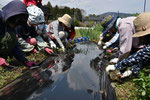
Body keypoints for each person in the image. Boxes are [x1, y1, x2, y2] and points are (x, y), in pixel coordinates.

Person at [106, 12, 150, 78]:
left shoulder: (124, 25)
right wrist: (134, 70)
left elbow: (144, 53)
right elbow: (147, 56)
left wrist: (118, 66)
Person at [0, 1, 37, 68]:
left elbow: (15, 45)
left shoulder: (12, 25)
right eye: (13, 22)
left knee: (13, 37)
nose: (13, 25)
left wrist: (25, 61)